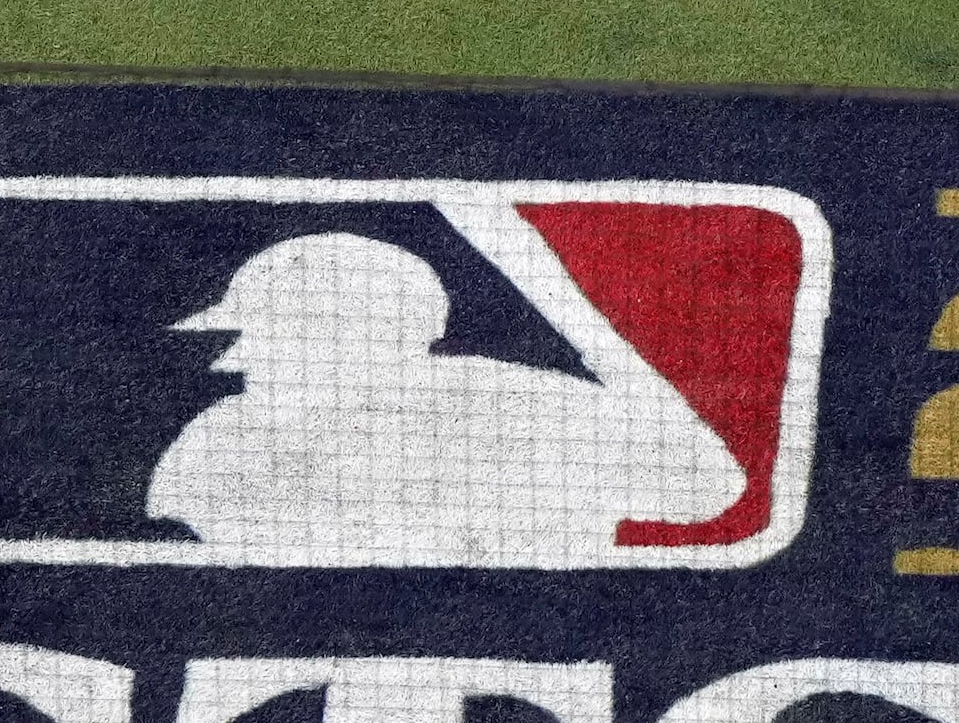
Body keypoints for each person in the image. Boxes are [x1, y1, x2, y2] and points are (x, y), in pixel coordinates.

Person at [144, 232, 743, 563]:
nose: (242, 358)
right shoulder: (226, 433)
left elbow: (706, 488)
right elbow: (184, 551)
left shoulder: (525, 405)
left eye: (270, 336)